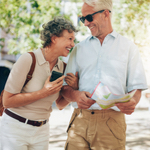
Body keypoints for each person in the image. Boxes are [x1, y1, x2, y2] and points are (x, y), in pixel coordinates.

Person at [60, 0, 148, 149]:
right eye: (83, 19)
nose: (85, 24)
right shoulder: (78, 49)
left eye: (88, 18)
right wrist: (75, 95)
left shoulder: (128, 48)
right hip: (79, 122)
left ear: (105, 14)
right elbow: (64, 89)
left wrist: (133, 102)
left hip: (111, 124)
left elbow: (136, 88)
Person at [0, 17, 78, 150]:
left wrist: (74, 89)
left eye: (73, 40)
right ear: (54, 38)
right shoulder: (28, 59)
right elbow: (7, 101)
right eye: (69, 39)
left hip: (42, 131)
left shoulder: (63, 67)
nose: (72, 44)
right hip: (15, 130)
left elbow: (59, 104)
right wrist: (43, 93)